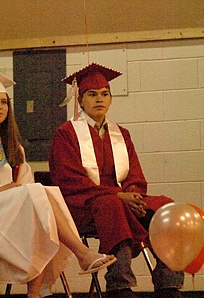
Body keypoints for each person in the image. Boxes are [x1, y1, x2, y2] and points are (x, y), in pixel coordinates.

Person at [0, 70, 116, 298]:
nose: (0, 107)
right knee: (38, 198)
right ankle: (79, 255)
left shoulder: (14, 148)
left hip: (12, 214)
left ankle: (36, 290)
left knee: (41, 201)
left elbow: (26, 186)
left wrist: (15, 192)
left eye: (4, 102)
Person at [49, 63, 184, 298]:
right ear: (80, 100)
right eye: (92, 95)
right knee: (112, 205)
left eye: (104, 94)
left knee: (166, 207)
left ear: (110, 99)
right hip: (84, 206)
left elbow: (135, 176)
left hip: (120, 201)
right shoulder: (66, 134)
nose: (99, 99)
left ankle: (169, 284)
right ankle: (119, 285)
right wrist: (118, 196)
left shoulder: (121, 134)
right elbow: (70, 182)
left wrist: (132, 194)